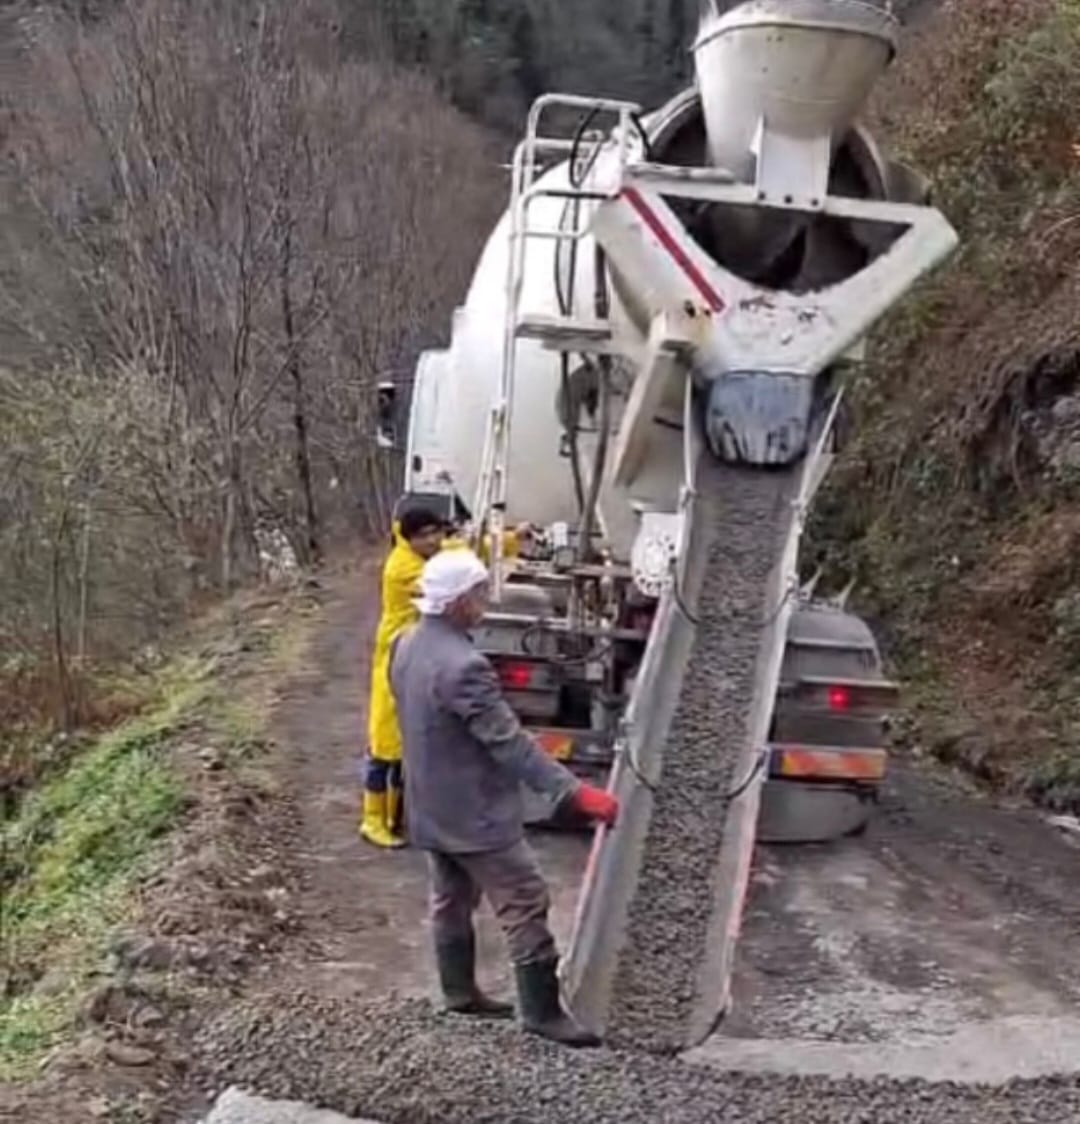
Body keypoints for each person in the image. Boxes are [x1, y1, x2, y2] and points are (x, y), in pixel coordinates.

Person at [390, 549, 619, 1047]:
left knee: (450, 899)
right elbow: (508, 742)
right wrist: (573, 792)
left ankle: (458, 993)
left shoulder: (404, 645)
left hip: (428, 805)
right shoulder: (465, 665)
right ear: (457, 602)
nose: (484, 602)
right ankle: (542, 1015)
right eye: (478, 594)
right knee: (524, 898)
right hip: (474, 815)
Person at [360, 505, 531, 849]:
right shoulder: (403, 567)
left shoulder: (436, 552)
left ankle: (397, 818)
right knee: (386, 744)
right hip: (398, 652)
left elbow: (463, 553)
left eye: (436, 532)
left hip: (422, 648)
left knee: (407, 743)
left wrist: (509, 539)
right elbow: (450, 575)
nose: (433, 540)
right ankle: (373, 819)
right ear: (408, 540)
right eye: (423, 536)